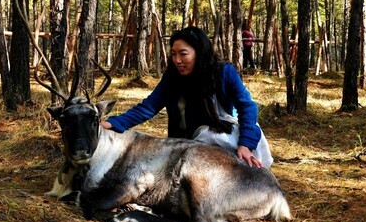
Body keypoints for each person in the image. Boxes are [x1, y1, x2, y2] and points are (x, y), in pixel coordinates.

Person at [101, 26, 272, 168]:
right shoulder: (173, 76)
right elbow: (149, 106)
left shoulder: (223, 72)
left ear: (199, 52)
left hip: (221, 132)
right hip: (186, 139)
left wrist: (245, 144)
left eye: (183, 53)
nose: (177, 60)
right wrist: (114, 123)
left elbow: (247, 106)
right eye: (174, 53)